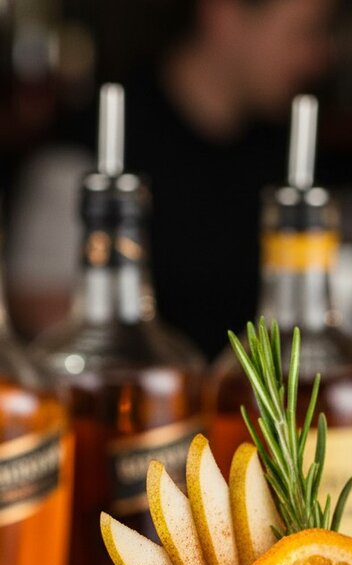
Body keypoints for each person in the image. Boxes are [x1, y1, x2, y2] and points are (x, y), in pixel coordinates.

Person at [5, 0, 334, 358]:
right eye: (304, 33)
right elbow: (43, 315)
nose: (317, 58)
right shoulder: (83, 152)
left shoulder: (287, 154)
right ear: (222, 16)